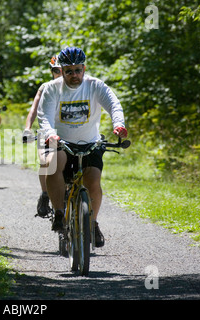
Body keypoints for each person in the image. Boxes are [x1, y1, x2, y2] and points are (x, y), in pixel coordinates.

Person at [37, 46, 128, 248]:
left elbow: (114, 104)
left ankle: (93, 223)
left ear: (84, 68)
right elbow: (44, 116)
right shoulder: (52, 88)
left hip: (90, 143)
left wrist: (118, 124)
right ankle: (59, 213)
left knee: (93, 181)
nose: (74, 75)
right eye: (69, 71)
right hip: (62, 142)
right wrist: (51, 134)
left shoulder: (95, 86)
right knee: (53, 165)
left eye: (78, 70)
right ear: (62, 71)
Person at [24, 55, 62, 218]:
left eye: (62, 70)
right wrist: (28, 128)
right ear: (51, 71)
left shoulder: (77, 87)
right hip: (47, 132)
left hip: (69, 131)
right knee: (46, 162)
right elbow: (34, 109)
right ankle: (46, 194)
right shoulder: (45, 87)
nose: (59, 73)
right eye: (55, 70)